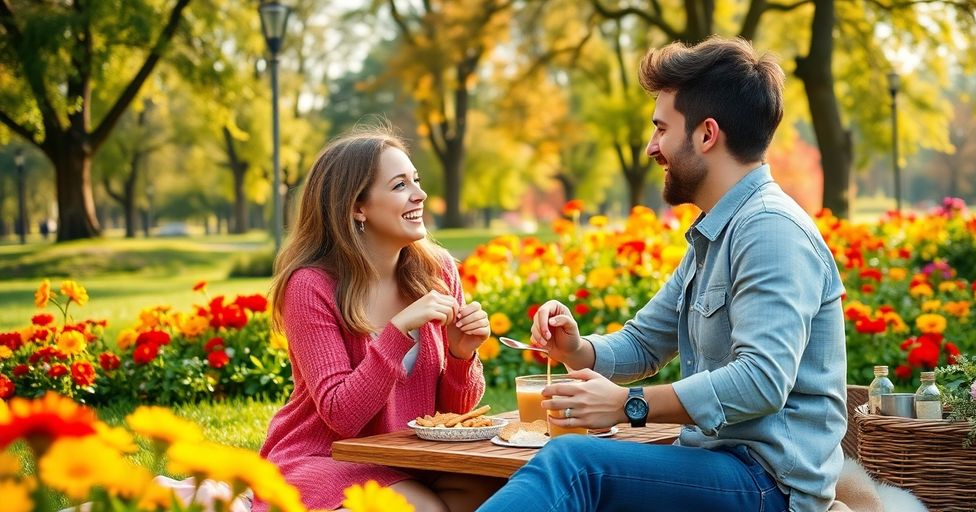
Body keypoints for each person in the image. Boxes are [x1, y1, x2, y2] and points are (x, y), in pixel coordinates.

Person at [479, 36, 847, 512]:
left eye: (661, 128)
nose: (652, 147)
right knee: (572, 463)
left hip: (768, 486)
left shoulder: (769, 229)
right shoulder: (714, 234)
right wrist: (575, 347)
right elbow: (643, 344)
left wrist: (630, 404)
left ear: (706, 134)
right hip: (718, 468)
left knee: (576, 464)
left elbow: (762, 379)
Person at [255, 127, 501, 512]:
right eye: (400, 185)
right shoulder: (310, 286)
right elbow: (342, 416)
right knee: (424, 509)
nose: (419, 194)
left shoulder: (437, 273)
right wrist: (399, 330)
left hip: (412, 459)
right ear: (357, 207)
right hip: (326, 457)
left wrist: (460, 355)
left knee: (504, 495)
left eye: (416, 181)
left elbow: (452, 416)